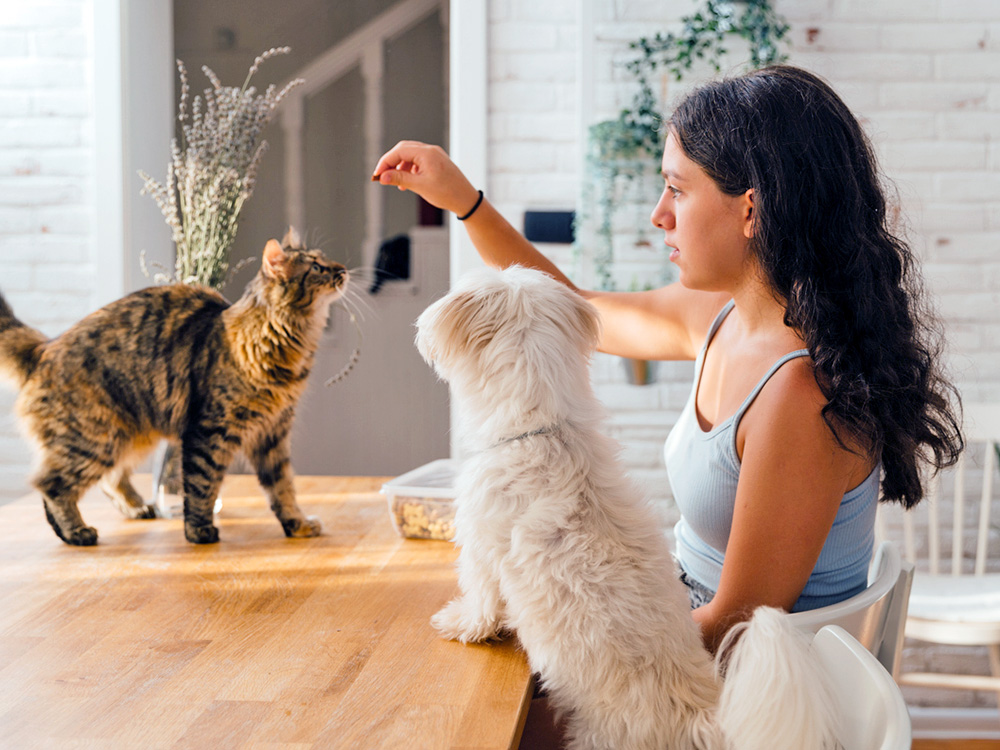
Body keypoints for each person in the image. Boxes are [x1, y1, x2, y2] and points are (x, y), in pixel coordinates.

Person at [372, 64, 962, 657]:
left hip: (735, 692)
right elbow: (573, 305)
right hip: (682, 628)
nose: (659, 214)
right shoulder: (719, 316)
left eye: (677, 189)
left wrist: (565, 640)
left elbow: (734, 628)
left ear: (751, 210)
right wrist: (464, 201)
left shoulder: (799, 396)